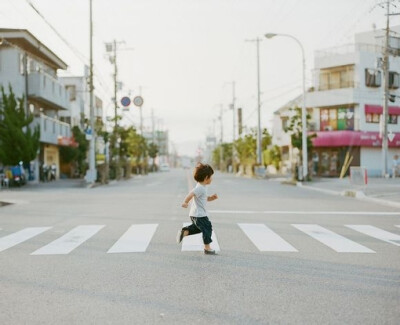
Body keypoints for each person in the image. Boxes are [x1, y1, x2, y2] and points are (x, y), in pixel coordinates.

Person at [177, 163, 218, 255]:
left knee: (198, 228)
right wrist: (185, 202)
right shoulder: (200, 188)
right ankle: (207, 248)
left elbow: (203, 198)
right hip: (200, 215)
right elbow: (191, 194)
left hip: (195, 214)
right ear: (206, 178)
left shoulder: (201, 187)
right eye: (211, 177)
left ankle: (185, 232)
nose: (212, 179)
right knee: (207, 228)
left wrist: (211, 198)